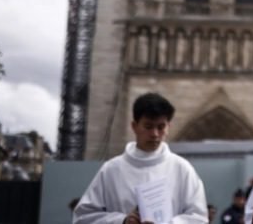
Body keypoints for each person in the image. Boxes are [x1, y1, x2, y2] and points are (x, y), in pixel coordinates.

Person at [74, 92, 207, 224]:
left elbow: (199, 218)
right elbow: (83, 217)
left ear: (168, 127)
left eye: (161, 127)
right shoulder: (111, 169)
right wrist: (123, 221)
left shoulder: (182, 169)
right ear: (134, 126)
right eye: (148, 127)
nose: (155, 134)